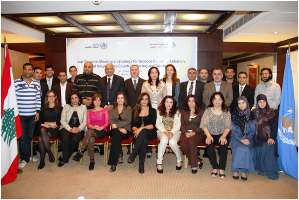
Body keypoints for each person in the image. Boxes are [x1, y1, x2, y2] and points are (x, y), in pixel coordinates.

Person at [14, 63, 41, 169]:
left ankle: (28, 156)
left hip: (32, 115)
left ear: (32, 71)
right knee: (23, 137)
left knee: (30, 136)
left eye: (29, 70)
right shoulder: (16, 82)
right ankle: (24, 159)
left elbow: (38, 99)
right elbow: (13, 99)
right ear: (23, 70)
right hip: (21, 115)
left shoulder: (36, 83)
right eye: (25, 69)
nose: (27, 71)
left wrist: (37, 112)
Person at [72, 94, 109, 170]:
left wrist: (100, 127)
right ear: (93, 101)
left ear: (101, 101)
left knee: (89, 133)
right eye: (95, 100)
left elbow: (107, 123)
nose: (97, 101)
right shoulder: (90, 112)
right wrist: (94, 127)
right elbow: (88, 124)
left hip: (102, 131)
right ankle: (92, 160)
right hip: (92, 131)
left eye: (98, 100)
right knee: (91, 139)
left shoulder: (105, 110)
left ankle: (81, 151)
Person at [200, 92, 231, 178]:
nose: (217, 101)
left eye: (219, 99)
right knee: (209, 144)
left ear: (222, 101)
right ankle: (215, 166)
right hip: (209, 133)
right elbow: (204, 125)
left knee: (223, 144)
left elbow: (228, 126)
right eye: (215, 99)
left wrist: (224, 136)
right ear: (212, 101)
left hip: (222, 133)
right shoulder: (208, 111)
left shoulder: (226, 112)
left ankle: (222, 168)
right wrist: (208, 136)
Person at [127, 92, 157, 174]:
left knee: (144, 132)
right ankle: (141, 164)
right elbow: (133, 125)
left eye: (146, 99)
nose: (144, 101)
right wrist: (137, 130)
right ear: (139, 100)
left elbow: (152, 125)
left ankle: (134, 153)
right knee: (144, 140)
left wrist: (141, 129)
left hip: (151, 133)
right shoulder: (135, 110)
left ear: (148, 100)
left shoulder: (152, 110)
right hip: (139, 134)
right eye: (142, 99)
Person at [141, 66, 167, 157]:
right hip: (148, 110)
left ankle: (158, 149)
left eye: (156, 72)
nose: (154, 74)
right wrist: (150, 109)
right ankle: (148, 149)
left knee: (158, 128)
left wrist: (159, 108)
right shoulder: (145, 84)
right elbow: (142, 98)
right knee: (149, 127)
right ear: (149, 74)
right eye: (152, 72)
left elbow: (165, 99)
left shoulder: (163, 84)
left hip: (160, 111)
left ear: (158, 74)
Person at [252, 94, 279, 180]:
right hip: (257, 137)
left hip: (270, 137)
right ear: (257, 103)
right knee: (261, 146)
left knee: (270, 146)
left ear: (266, 102)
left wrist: (271, 137)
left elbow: (274, 128)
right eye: (259, 102)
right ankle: (262, 169)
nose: (262, 103)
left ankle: (271, 172)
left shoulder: (272, 113)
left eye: (264, 101)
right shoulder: (253, 113)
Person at [58, 90, 87, 167]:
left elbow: (85, 122)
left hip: (78, 128)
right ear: (70, 99)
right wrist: (70, 129)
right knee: (65, 139)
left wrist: (78, 129)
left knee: (74, 140)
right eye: (72, 98)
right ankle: (65, 158)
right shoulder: (66, 107)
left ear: (79, 99)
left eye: (76, 98)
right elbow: (62, 120)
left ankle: (65, 157)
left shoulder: (83, 107)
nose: (74, 100)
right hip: (66, 127)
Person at [230, 96, 255, 181]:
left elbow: (252, 130)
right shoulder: (234, 114)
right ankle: (235, 169)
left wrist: (247, 139)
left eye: (243, 103)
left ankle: (244, 170)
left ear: (247, 103)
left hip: (248, 138)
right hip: (236, 138)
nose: (241, 105)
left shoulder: (251, 114)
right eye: (239, 103)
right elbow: (234, 131)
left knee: (246, 148)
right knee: (239, 147)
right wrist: (241, 139)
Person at [156, 96, 182, 174]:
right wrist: (165, 131)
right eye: (167, 102)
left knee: (172, 142)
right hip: (162, 132)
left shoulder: (177, 112)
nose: (169, 104)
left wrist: (171, 132)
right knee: (164, 140)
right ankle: (159, 162)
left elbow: (178, 125)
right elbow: (157, 124)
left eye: (171, 102)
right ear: (164, 103)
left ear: (173, 103)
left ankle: (179, 159)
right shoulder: (159, 111)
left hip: (175, 132)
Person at [37, 90, 62, 169]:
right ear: (47, 98)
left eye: (52, 96)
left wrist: (53, 124)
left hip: (55, 129)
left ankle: (42, 160)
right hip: (45, 128)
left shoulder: (59, 107)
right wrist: (48, 124)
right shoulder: (43, 108)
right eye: (49, 96)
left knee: (41, 137)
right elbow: (41, 121)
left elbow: (60, 120)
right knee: (42, 133)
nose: (51, 98)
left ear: (55, 97)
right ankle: (49, 153)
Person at [108, 92, 132, 172]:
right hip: (115, 131)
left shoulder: (128, 108)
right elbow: (111, 121)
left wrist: (117, 126)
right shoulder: (112, 109)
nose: (120, 100)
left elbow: (128, 121)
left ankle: (113, 164)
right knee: (115, 133)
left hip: (126, 131)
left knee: (115, 139)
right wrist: (119, 128)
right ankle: (119, 153)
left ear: (124, 99)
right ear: (116, 100)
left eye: (122, 98)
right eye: (118, 98)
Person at [180, 95, 204, 174]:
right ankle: (197, 160)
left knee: (191, 142)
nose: (191, 103)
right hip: (186, 132)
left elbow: (202, 124)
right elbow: (182, 124)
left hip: (197, 133)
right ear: (187, 102)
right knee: (183, 144)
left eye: (193, 101)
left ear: (196, 102)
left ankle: (194, 165)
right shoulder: (184, 111)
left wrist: (193, 132)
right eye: (189, 101)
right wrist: (186, 132)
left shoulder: (200, 111)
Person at [124, 65, 145, 155]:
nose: (134, 71)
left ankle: (141, 147)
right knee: (131, 127)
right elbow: (124, 97)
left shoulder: (144, 82)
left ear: (139, 71)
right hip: (129, 110)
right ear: (130, 71)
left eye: (136, 70)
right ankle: (130, 148)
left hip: (142, 109)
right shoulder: (125, 82)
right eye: (132, 70)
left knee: (141, 127)